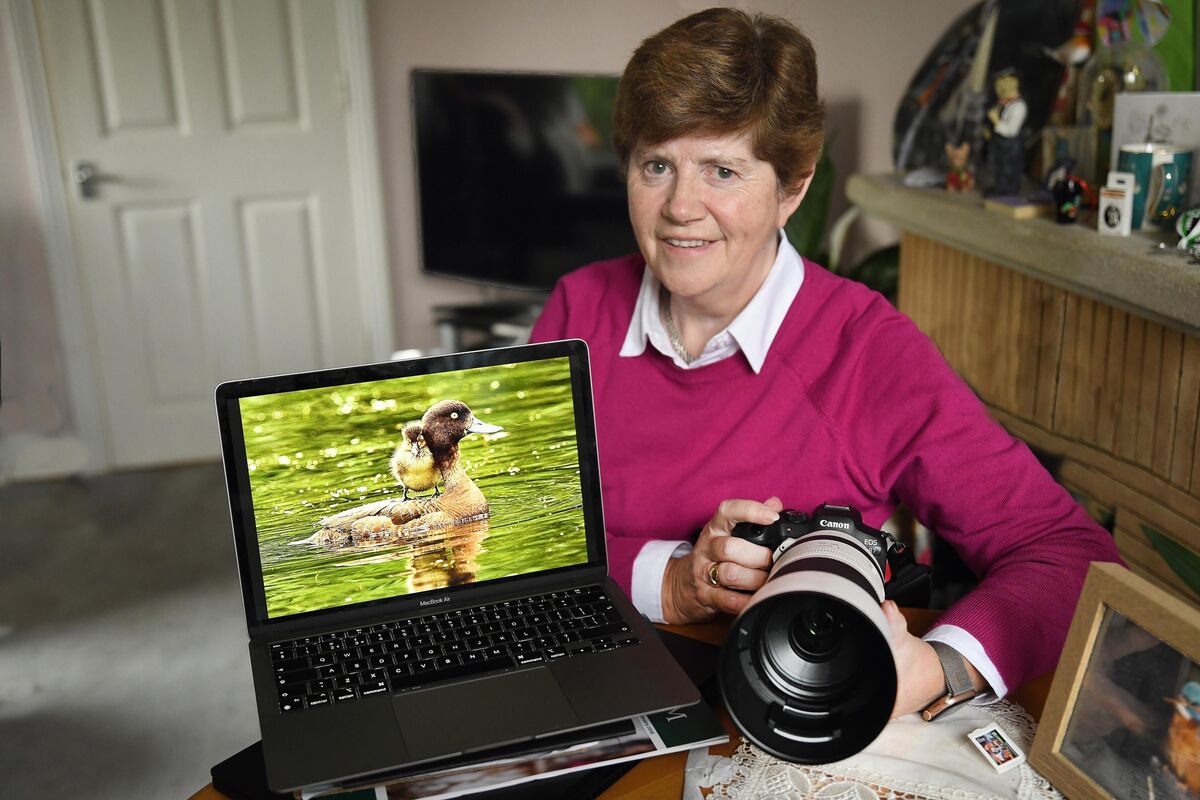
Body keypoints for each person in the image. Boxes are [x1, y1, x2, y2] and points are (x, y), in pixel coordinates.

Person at [528, 7, 1121, 719]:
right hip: (579, 692)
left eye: (722, 170)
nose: (681, 206)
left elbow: (1071, 554)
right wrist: (674, 580)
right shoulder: (578, 308)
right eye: (657, 165)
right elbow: (522, 537)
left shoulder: (869, 352)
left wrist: (938, 667)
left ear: (794, 188)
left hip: (772, 725)